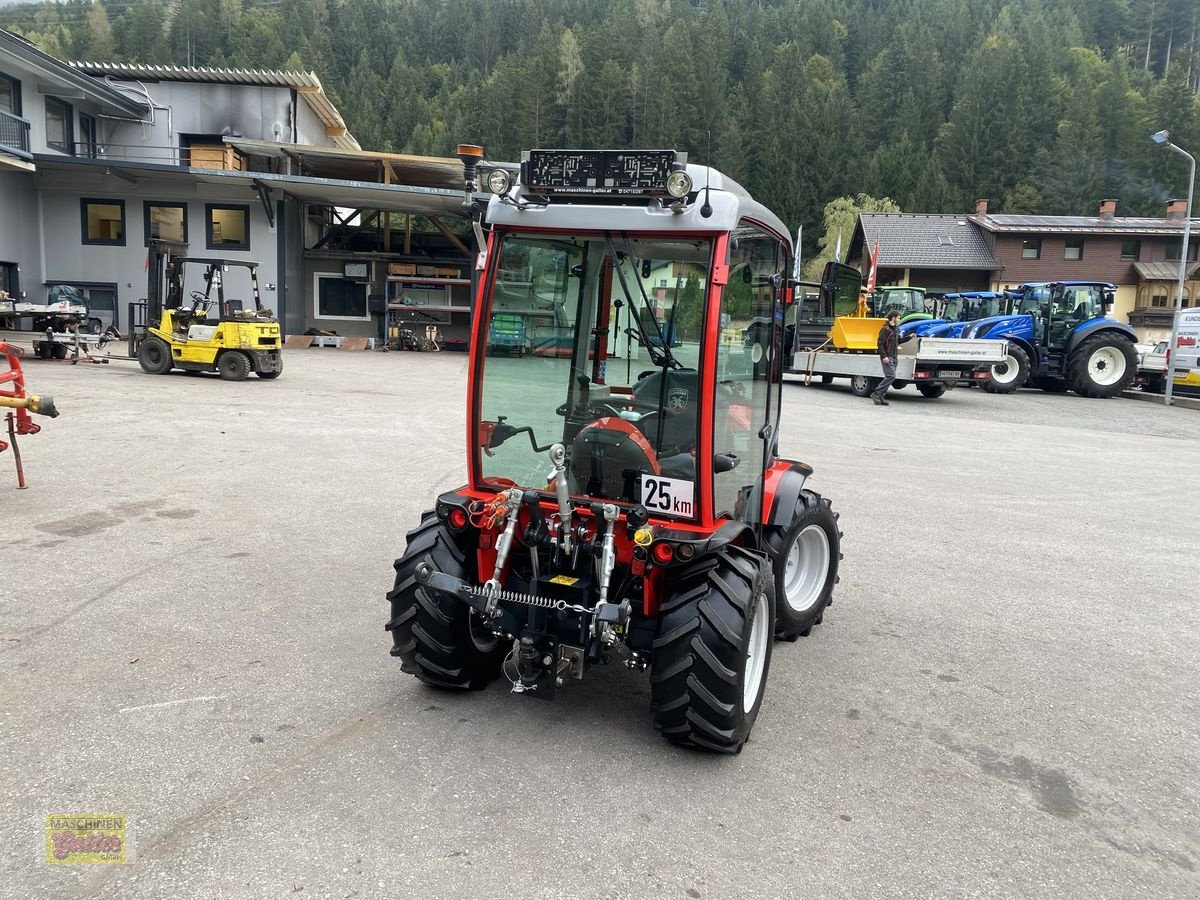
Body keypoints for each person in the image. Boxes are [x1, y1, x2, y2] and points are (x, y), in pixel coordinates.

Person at [871, 310, 911, 405]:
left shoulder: (896, 329)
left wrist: (909, 337)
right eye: (898, 317)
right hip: (888, 357)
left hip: (894, 357)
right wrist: (884, 356)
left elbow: (898, 341)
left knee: (890, 377)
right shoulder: (886, 329)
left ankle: (881, 396)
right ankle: (876, 393)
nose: (899, 319)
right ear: (893, 318)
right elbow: (880, 343)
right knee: (891, 376)